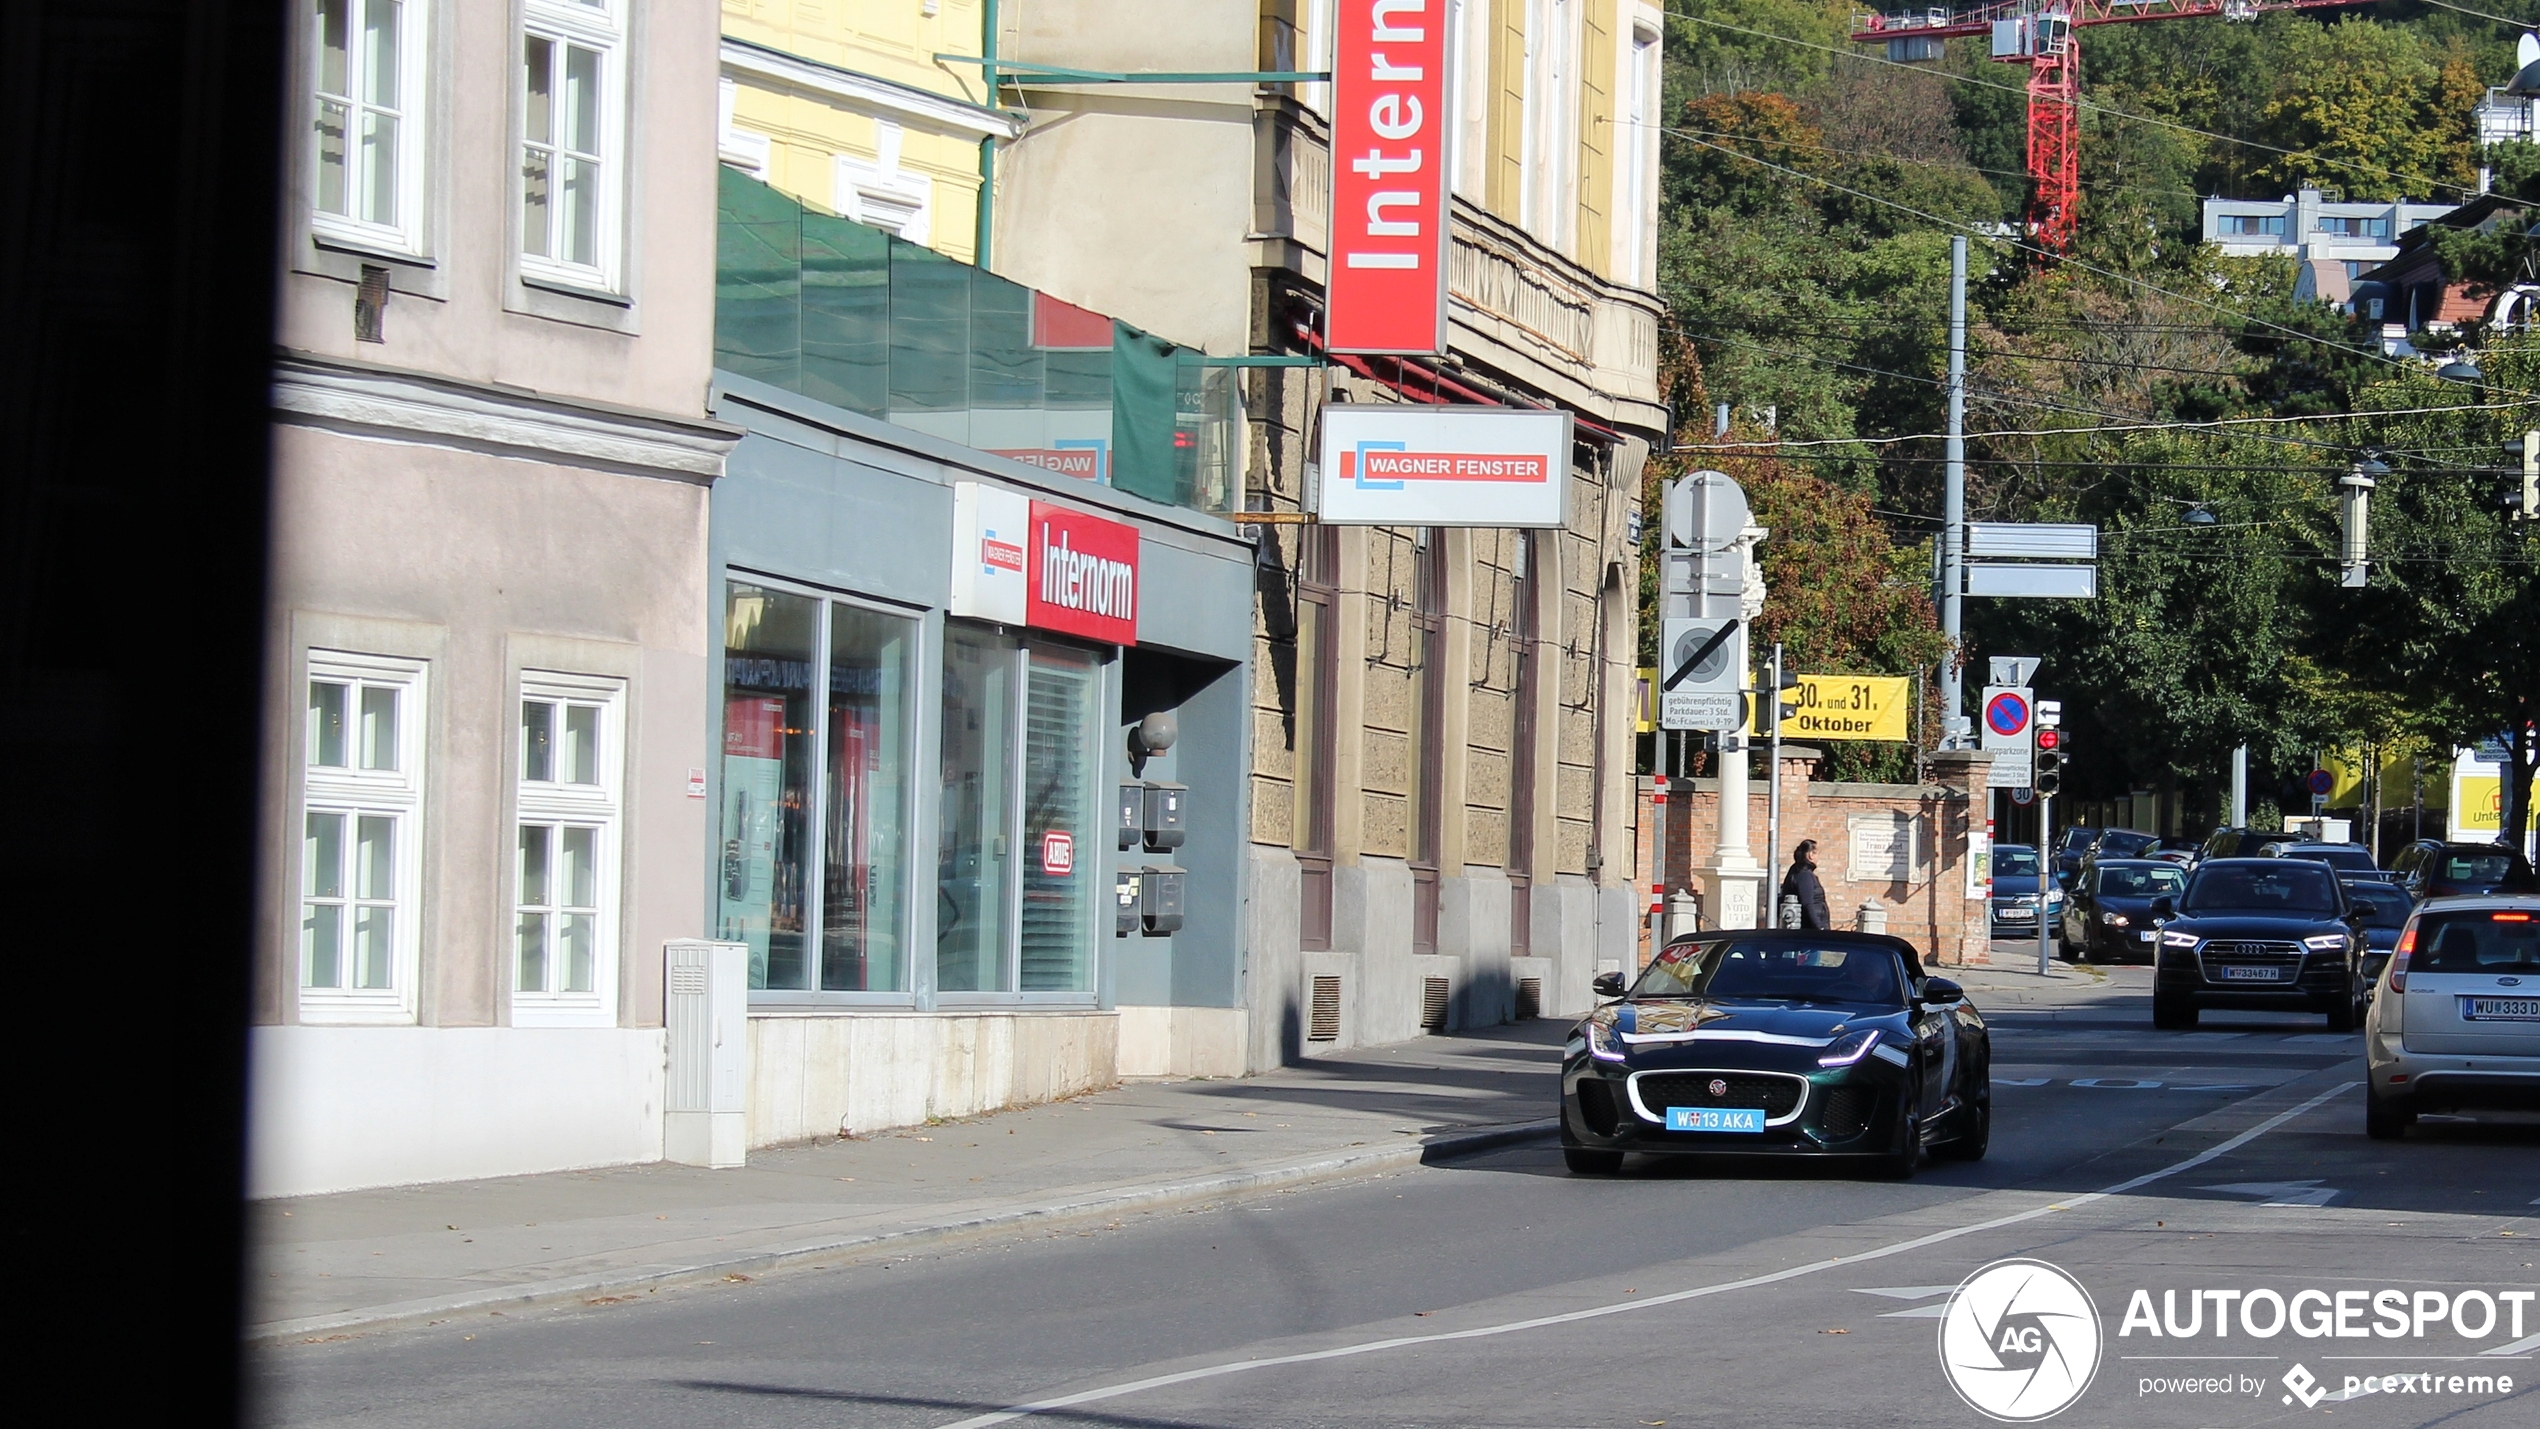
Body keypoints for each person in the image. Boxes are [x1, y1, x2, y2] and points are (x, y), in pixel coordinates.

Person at [1782, 839, 1831, 931]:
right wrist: (1819, 927)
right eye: (1816, 854)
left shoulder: (1798, 871)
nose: (1818, 857)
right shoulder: (1804, 874)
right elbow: (1807, 903)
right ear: (1811, 855)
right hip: (1811, 928)